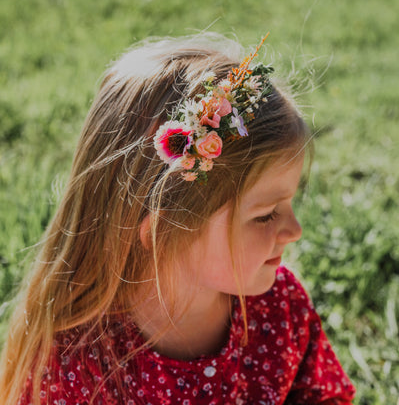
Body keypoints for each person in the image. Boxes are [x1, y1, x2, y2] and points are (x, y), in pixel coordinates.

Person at [0, 33, 356, 405]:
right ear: (161, 231)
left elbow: (320, 395)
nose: (294, 231)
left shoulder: (278, 306)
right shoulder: (80, 359)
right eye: (266, 215)